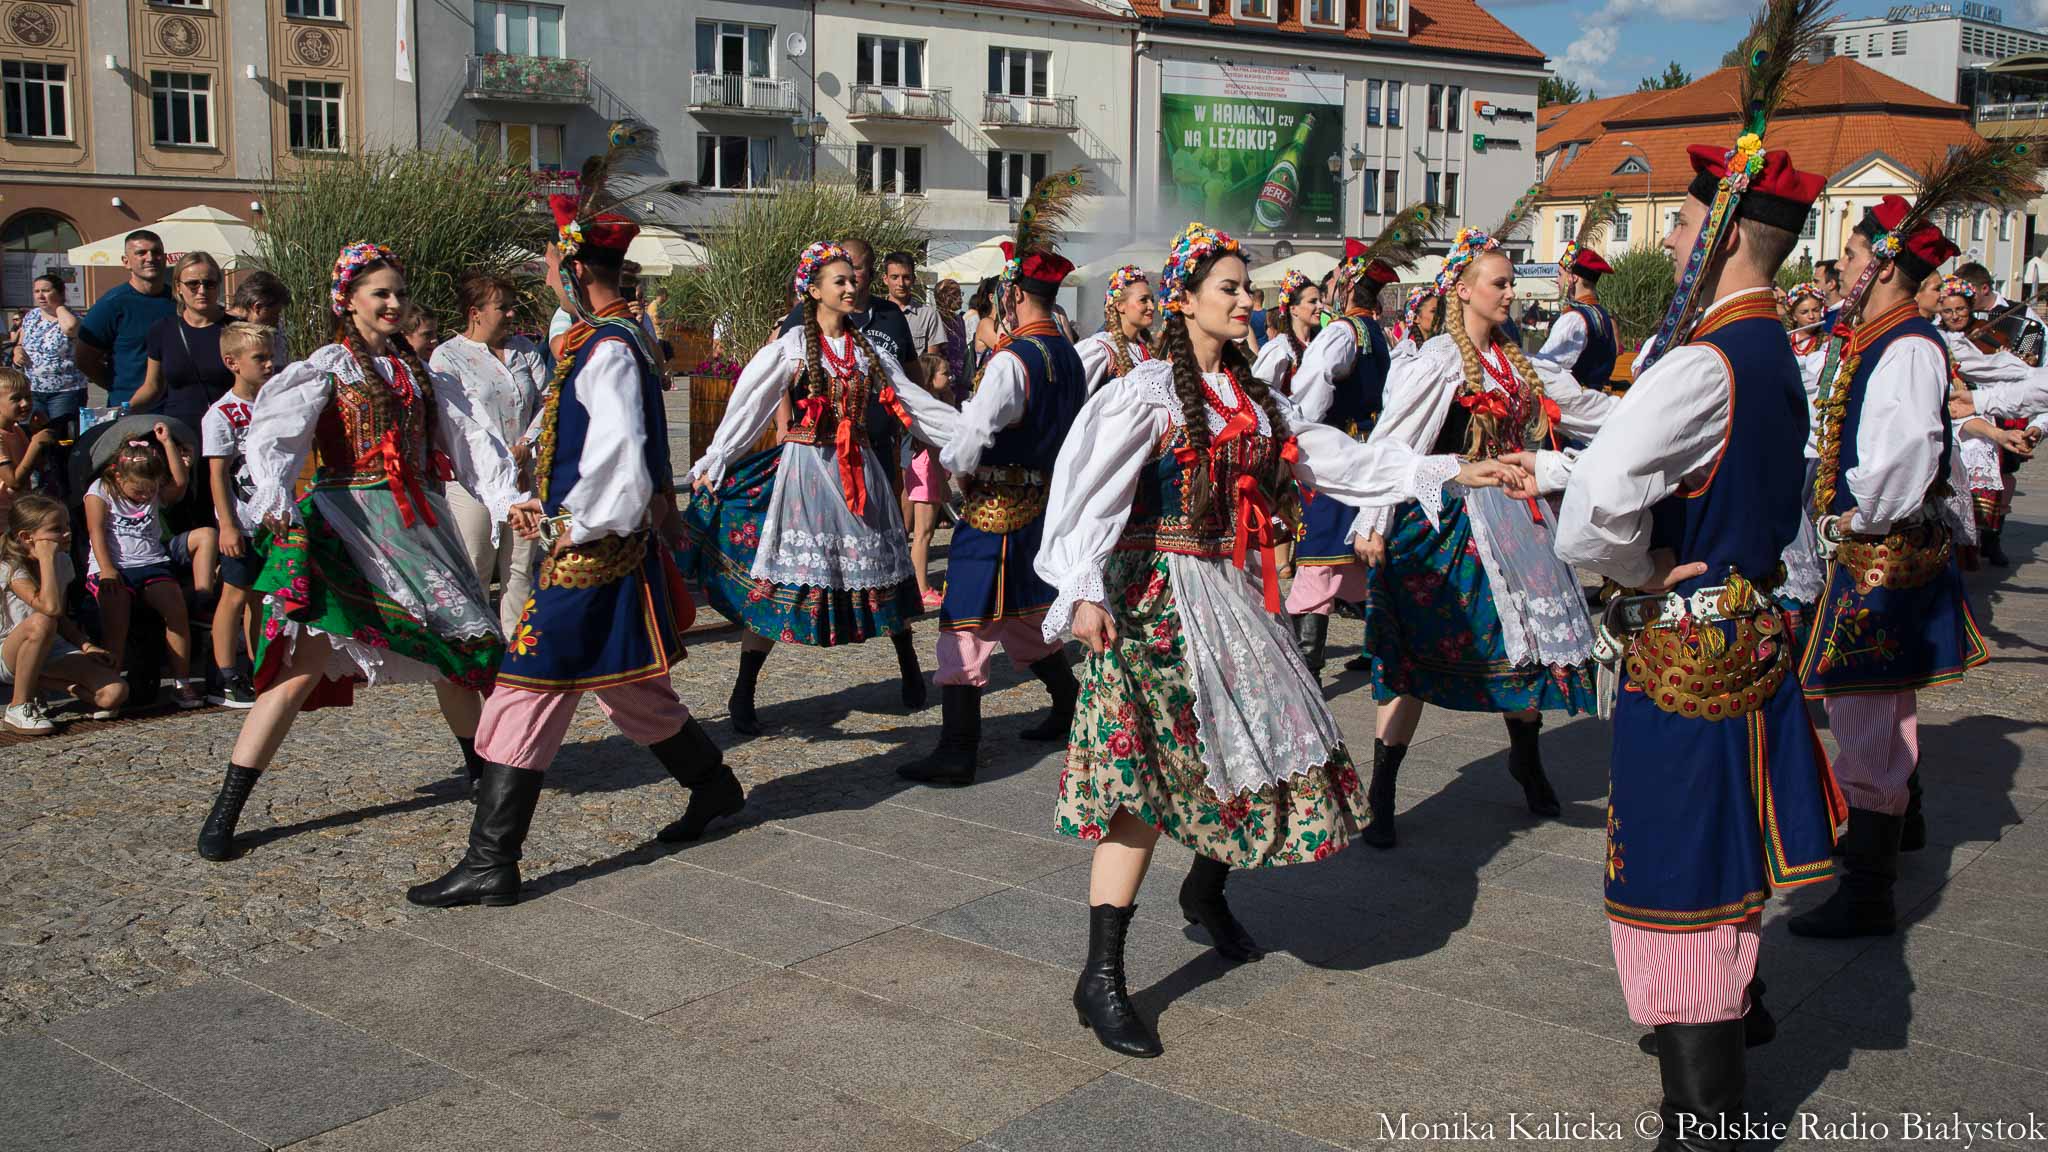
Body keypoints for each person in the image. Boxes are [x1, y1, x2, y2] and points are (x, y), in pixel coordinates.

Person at [1037, 222, 1523, 1058]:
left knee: (1259, 746)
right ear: (1183, 301)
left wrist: (1448, 470)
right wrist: (1080, 588)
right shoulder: (1145, 392)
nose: (1243, 299)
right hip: (1150, 600)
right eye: (1226, 287)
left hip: (1224, 592)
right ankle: (1102, 976)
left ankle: (1205, 888)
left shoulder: (1259, 397)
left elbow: (1333, 458)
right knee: (1142, 786)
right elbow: (1084, 491)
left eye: (1245, 287)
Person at [1533, 139, 1847, 1152]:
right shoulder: (1769, 353)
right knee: (1722, 850)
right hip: (1751, 626)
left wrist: (1628, 569)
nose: (1667, 239)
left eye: (1678, 222)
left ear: (1719, 237)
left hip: (1687, 644)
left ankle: (1701, 1122)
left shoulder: (1705, 360)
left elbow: (1596, 505)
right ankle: (1705, 1084)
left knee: (1674, 869)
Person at [408, 174, 739, 909]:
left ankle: (494, 861)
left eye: (552, 268)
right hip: (601, 548)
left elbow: (619, 462)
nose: (547, 281)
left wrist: (567, 527)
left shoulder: (610, 350)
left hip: (590, 554)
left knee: (521, 695)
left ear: (575, 270)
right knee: (630, 691)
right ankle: (715, 785)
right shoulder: (604, 341)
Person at [193, 242, 533, 863]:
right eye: (380, 293)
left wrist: (507, 496)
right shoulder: (328, 366)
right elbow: (272, 436)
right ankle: (228, 807)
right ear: (346, 301)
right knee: (299, 670)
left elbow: (470, 440)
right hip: (348, 526)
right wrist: (274, 503)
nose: (394, 304)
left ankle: (483, 779)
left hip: (417, 526)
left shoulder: (421, 372)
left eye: (399, 292)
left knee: (459, 653)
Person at [1352, 229, 1616, 848]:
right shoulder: (1438, 359)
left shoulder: (1519, 362)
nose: (1509, 293)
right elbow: (1395, 441)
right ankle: (1384, 785)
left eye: (1510, 283)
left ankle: (1526, 759)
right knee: (1413, 653)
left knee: (1520, 647)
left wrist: (1655, 413)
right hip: (1446, 522)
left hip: (1517, 520)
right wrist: (1371, 522)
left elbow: (1584, 410)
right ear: (1463, 291)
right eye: (1499, 283)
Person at [1793, 193, 1993, 939]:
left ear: (1880, 266)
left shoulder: (1904, 345)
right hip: (1876, 552)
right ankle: (1898, 829)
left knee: (1865, 700)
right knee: (1878, 699)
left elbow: (1907, 453)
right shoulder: (1877, 336)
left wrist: (1855, 515)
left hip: (1880, 554)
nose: (1840, 267)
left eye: (1849, 256)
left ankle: (1869, 886)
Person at [683, 241, 961, 735]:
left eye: (853, 279)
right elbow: (749, 406)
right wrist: (717, 457)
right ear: (813, 292)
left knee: (883, 569)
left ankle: (909, 669)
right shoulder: (791, 348)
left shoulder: (868, 349)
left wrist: (968, 435)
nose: (852, 286)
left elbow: (913, 402)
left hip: (861, 472)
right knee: (784, 581)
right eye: (840, 281)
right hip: (807, 474)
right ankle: (743, 690)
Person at [901, 174, 1089, 786]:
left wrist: (956, 476)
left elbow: (968, 441)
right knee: (1029, 616)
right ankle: (1070, 708)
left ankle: (958, 749)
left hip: (995, 511)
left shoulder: (1012, 360)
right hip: (1040, 507)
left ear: (1010, 297)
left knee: (964, 621)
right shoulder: (1066, 353)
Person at [1280, 248, 1401, 676]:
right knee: (1358, 561)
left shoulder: (1342, 332)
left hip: (1337, 451)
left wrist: (1299, 431)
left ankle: (1305, 669)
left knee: (1318, 559)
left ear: (1346, 286)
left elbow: (1313, 389)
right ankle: (1387, 653)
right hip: (1368, 447)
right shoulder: (1378, 332)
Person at [430, 272, 545, 636]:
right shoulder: (448, 357)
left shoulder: (525, 350)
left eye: (512, 307)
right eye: (502, 307)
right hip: (473, 482)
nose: (511, 315)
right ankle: (476, 641)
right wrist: (496, 457)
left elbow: (549, 399)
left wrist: (528, 442)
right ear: (475, 312)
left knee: (520, 565)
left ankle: (517, 646)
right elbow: (455, 420)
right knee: (476, 563)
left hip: (525, 472)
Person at [84, 425, 213, 710]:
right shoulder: (100, 491)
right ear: (118, 477)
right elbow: (96, 532)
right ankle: (112, 686)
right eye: (138, 491)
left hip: (151, 562)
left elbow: (179, 483)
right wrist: (107, 569)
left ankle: (182, 684)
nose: (144, 496)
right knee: (116, 626)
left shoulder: (153, 488)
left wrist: (167, 443)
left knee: (176, 614)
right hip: (114, 565)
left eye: (150, 490)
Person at [2, 494, 126, 734]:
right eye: (56, 529)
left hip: (51, 646)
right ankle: (19, 705)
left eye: (67, 525)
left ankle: (37, 680)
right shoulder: (9, 567)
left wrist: (86, 646)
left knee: (114, 693)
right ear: (27, 538)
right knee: (41, 620)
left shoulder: (62, 562)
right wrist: (46, 557)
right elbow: (49, 608)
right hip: (8, 650)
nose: (67, 533)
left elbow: (61, 618)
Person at [136, 251, 235, 538]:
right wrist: (122, 411)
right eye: (193, 284)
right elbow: (152, 386)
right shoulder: (163, 331)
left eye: (210, 283)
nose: (202, 290)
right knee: (183, 513)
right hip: (179, 437)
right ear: (178, 286)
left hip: (227, 436)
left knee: (225, 512)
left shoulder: (235, 330)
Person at [202, 322, 276, 709]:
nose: (269, 365)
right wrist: (227, 524)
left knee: (260, 597)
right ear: (233, 363)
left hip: (270, 518)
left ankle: (256, 664)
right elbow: (217, 473)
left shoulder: (272, 404)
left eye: (270, 356)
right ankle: (225, 674)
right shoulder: (221, 414)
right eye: (259, 358)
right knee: (234, 594)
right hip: (241, 520)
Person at [76, 231, 176, 410]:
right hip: (131, 408)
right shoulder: (111, 305)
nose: (150, 258)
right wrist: (117, 386)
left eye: (156, 252)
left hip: (177, 407)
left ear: (166, 258)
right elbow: (84, 359)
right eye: (141, 253)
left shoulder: (179, 301)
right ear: (126, 262)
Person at [906, 349, 955, 610]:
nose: (950, 376)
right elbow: (933, 448)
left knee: (926, 532)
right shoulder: (929, 409)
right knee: (923, 533)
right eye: (945, 373)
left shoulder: (937, 402)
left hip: (929, 468)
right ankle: (921, 586)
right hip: (928, 469)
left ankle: (920, 584)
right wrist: (942, 481)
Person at [1536, 242, 1620, 390]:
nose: (1557, 280)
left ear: (1573, 278)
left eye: (1560, 274)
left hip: (1575, 405)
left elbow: (1545, 367)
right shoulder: (1602, 314)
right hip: (1596, 399)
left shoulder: (1574, 319)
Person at [14, 275, 87, 441]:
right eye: (36, 291)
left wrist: (59, 306)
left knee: (61, 438)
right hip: (33, 389)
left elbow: (70, 328)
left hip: (65, 391)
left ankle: (62, 467)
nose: (40, 295)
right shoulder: (31, 317)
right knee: (34, 437)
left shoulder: (73, 317)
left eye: (46, 291)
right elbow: (21, 342)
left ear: (61, 293)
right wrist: (18, 351)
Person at [1075, 266, 1156, 395]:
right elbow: (1076, 401)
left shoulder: (1142, 350)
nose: (1151, 307)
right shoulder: (1100, 349)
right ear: (1120, 306)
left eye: (1151, 300)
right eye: (1143, 300)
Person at [1250, 271, 1319, 399]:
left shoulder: (1319, 343)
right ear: (1293, 309)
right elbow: (1260, 397)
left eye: (1320, 301)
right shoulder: (1279, 349)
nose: (1320, 306)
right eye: (1313, 301)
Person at [0, 369, 56, 520]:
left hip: (15, 510)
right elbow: (14, 482)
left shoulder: (16, 430)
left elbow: (37, 465)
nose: (25, 403)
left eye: (28, 397)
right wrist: (35, 443)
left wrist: (37, 431)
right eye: (16, 399)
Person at [883, 251, 946, 359]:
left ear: (913, 279)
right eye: (895, 277)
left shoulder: (928, 315)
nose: (901, 283)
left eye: (906, 277)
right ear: (885, 279)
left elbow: (932, 362)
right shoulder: (875, 313)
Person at [229, 270, 293, 361]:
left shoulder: (273, 332)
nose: (277, 320)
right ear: (258, 307)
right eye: (275, 314)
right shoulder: (224, 332)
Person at [934, 278, 969, 385]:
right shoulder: (935, 319)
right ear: (944, 297)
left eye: (960, 294)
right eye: (955, 294)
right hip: (943, 380)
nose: (961, 299)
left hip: (961, 379)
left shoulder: (959, 320)